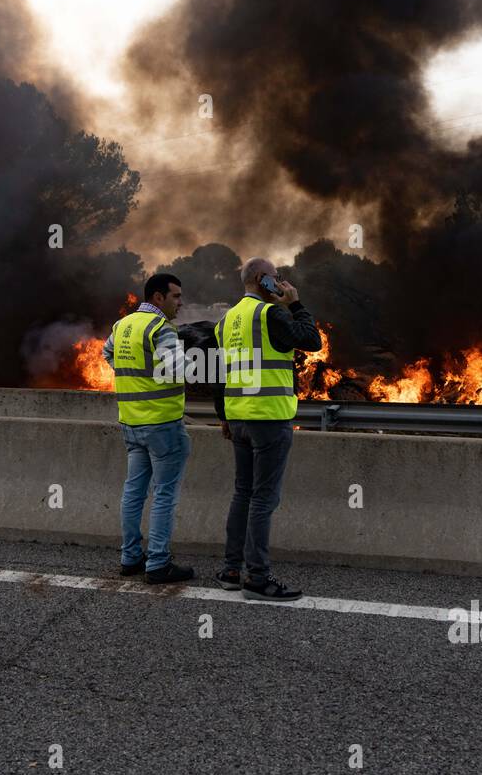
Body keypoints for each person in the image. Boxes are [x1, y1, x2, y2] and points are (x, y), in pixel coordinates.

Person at [211, 257, 320, 601]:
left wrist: (224, 417)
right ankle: (257, 578)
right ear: (262, 280)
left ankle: (231, 570)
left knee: (243, 492)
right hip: (269, 418)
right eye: (277, 278)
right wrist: (296, 303)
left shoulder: (225, 321)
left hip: (239, 418)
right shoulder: (270, 314)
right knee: (263, 498)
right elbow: (312, 341)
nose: (281, 282)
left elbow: (220, 374)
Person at [102, 273, 194, 584]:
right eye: (176, 297)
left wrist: (137, 375)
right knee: (164, 494)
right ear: (158, 298)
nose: (180, 303)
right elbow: (179, 370)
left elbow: (107, 353)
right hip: (163, 424)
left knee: (134, 491)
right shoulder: (160, 327)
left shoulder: (123, 324)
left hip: (131, 421)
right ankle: (158, 563)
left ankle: (130, 558)